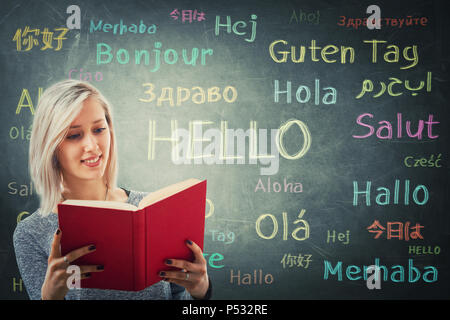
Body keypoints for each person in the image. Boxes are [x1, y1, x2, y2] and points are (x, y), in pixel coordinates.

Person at [13, 80, 211, 300]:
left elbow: (176, 297)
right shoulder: (31, 232)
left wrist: (200, 291)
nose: (92, 145)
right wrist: (50, 297)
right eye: (74, 135)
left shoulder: (152, 210)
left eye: (99, 129)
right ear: (50, 146)